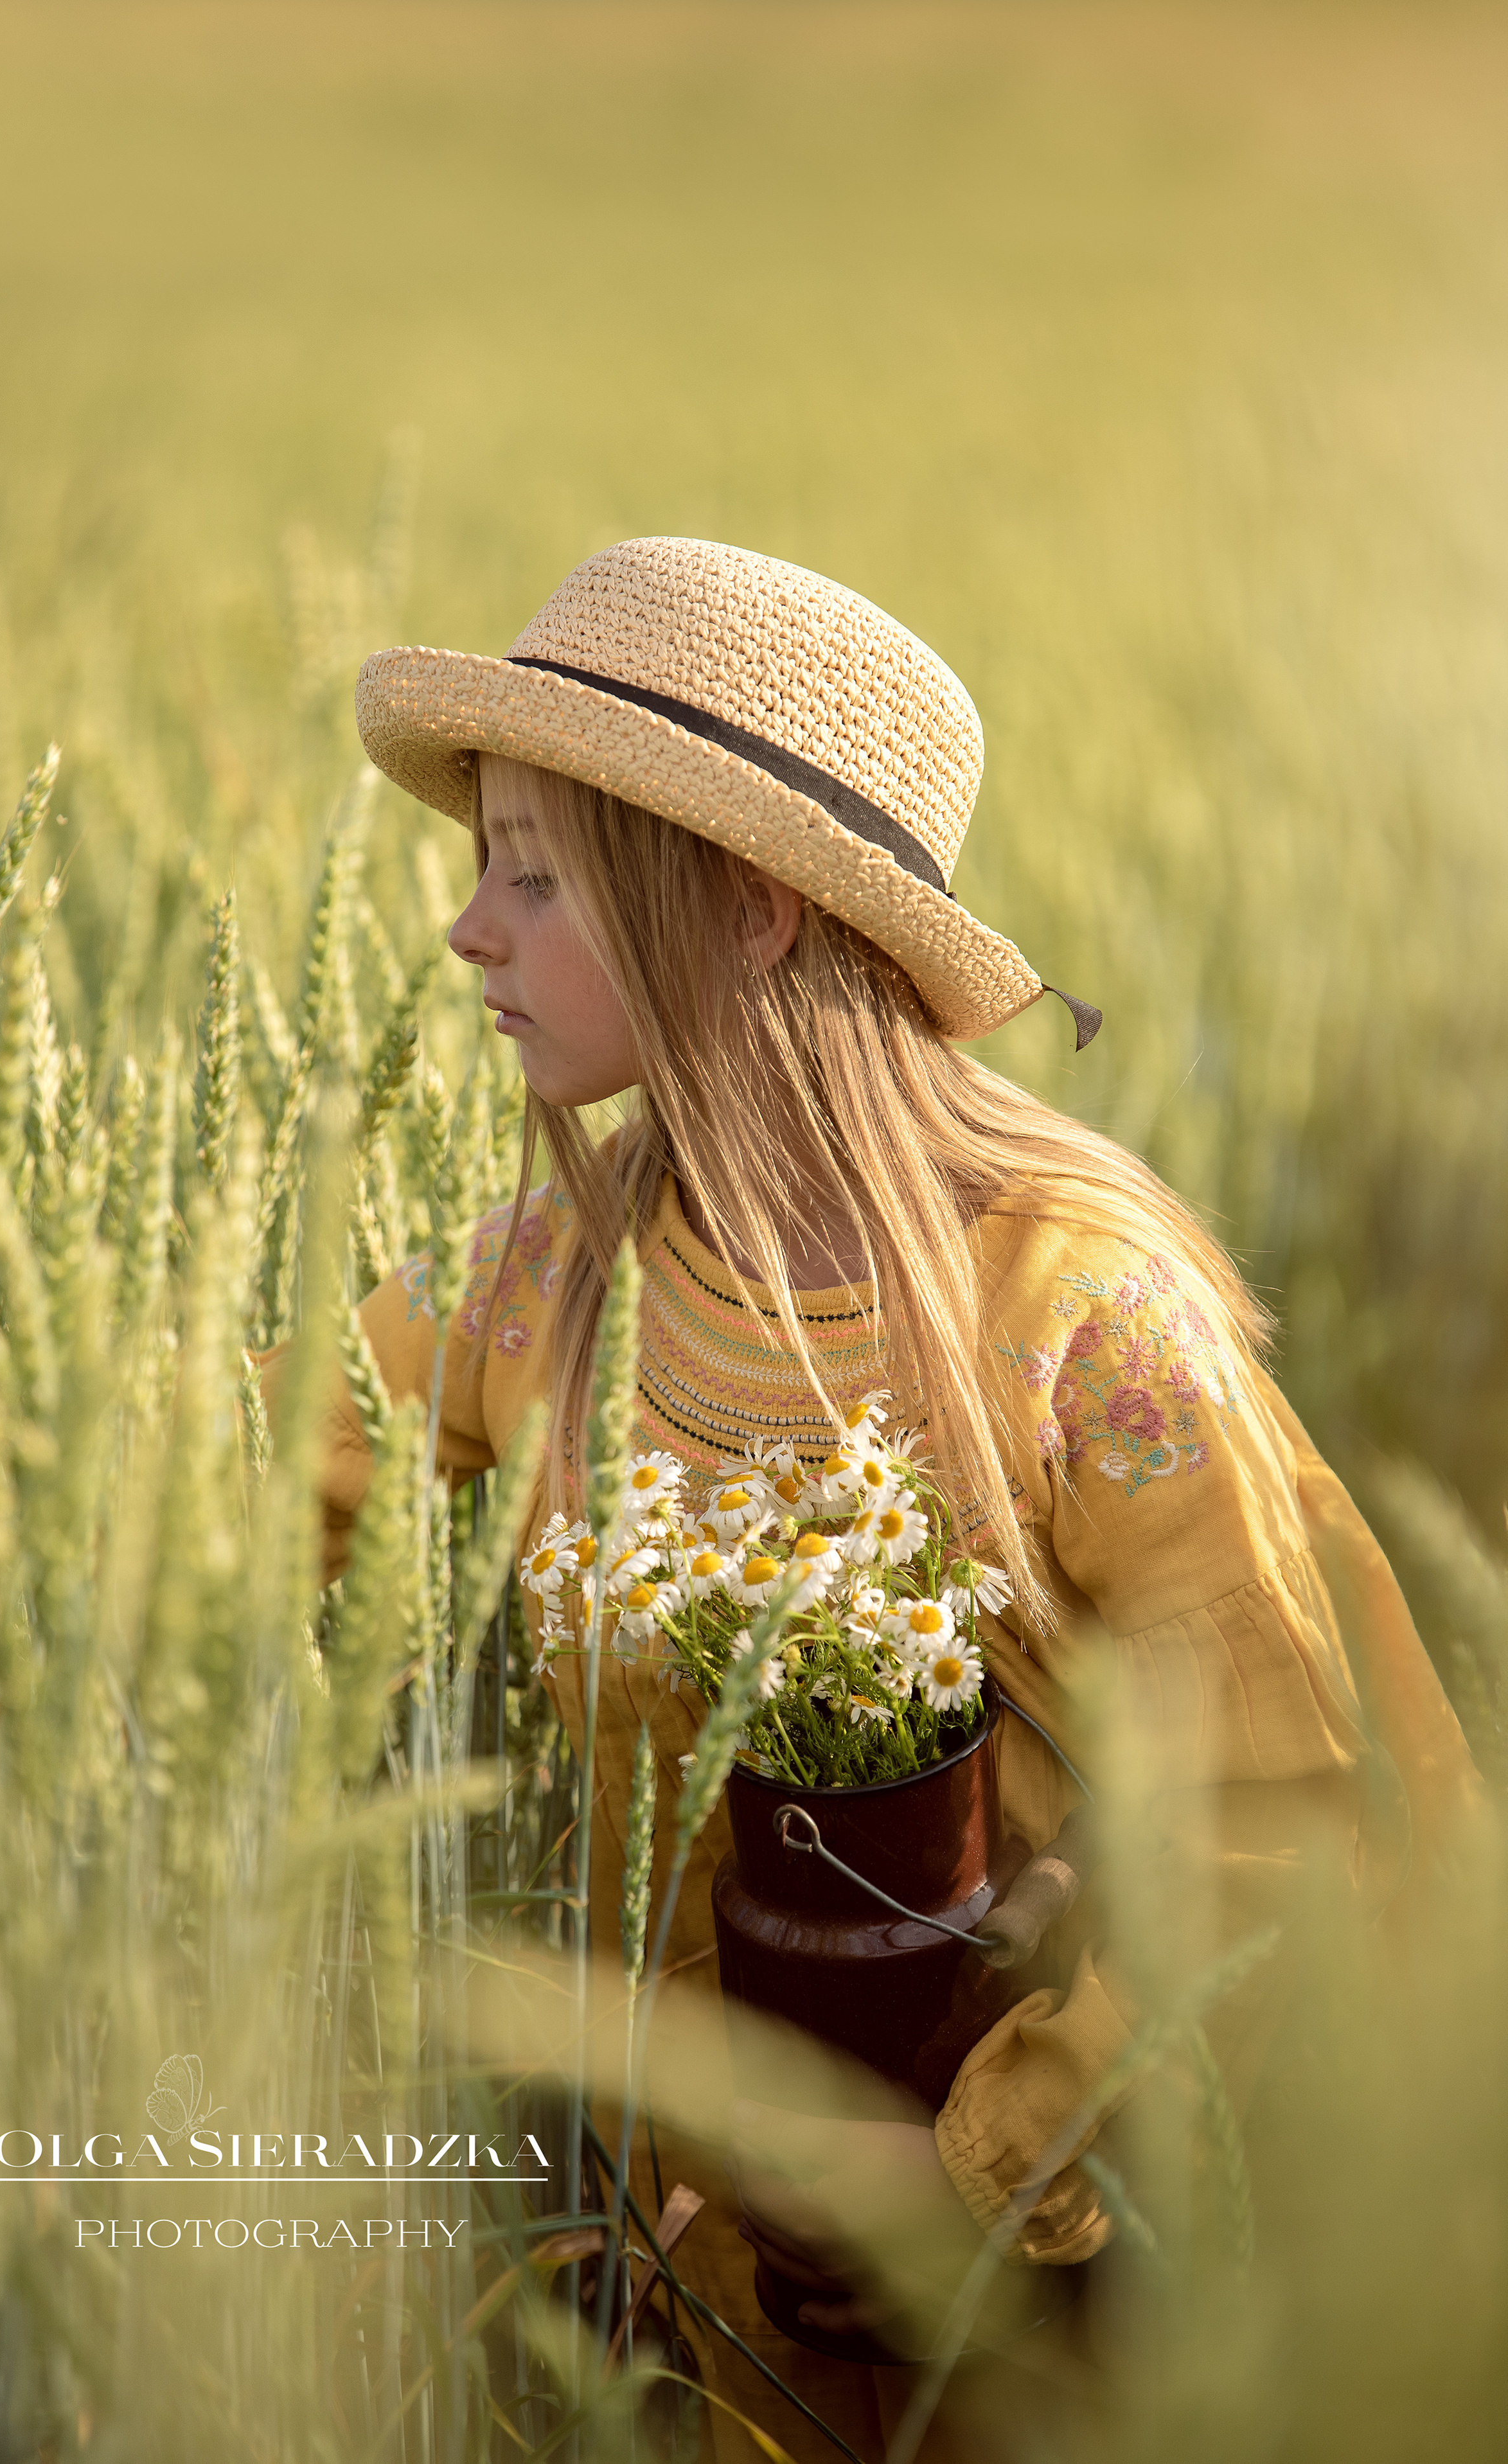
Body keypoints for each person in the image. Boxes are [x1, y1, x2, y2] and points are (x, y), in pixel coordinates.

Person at [292, 535, 1475, 2461]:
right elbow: (230, 1498)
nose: (467, 934)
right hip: (690, 2287)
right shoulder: (548, 1287)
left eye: (532, 871)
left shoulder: (1071, 1310)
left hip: (1082, 2301)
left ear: (751, 909)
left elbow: (1293, 1817)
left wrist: (994, 2164)